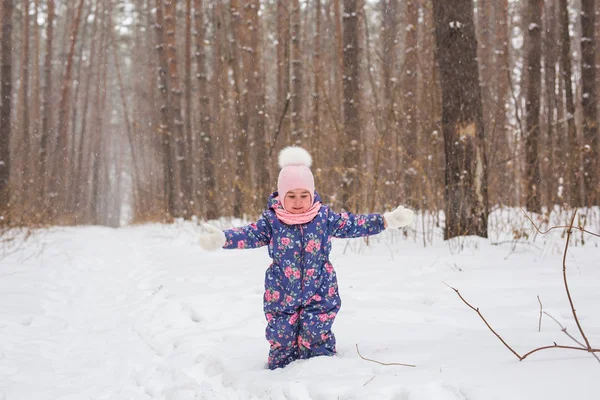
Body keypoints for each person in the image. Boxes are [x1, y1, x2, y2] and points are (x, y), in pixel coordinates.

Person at [199, 146, 414, 369]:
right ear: (281, 196)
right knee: (281, 338)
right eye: (291, 196)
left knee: (316, 335)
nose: (298, 201)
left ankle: (319, 376)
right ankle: (279, 380)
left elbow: (353, 223)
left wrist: (385, 220)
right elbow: (249, 234)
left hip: (320, 289)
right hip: (281, 291)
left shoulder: (323, 217)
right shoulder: (272, 221)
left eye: (304, 195)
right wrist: (223, 238)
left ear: (312, 194)